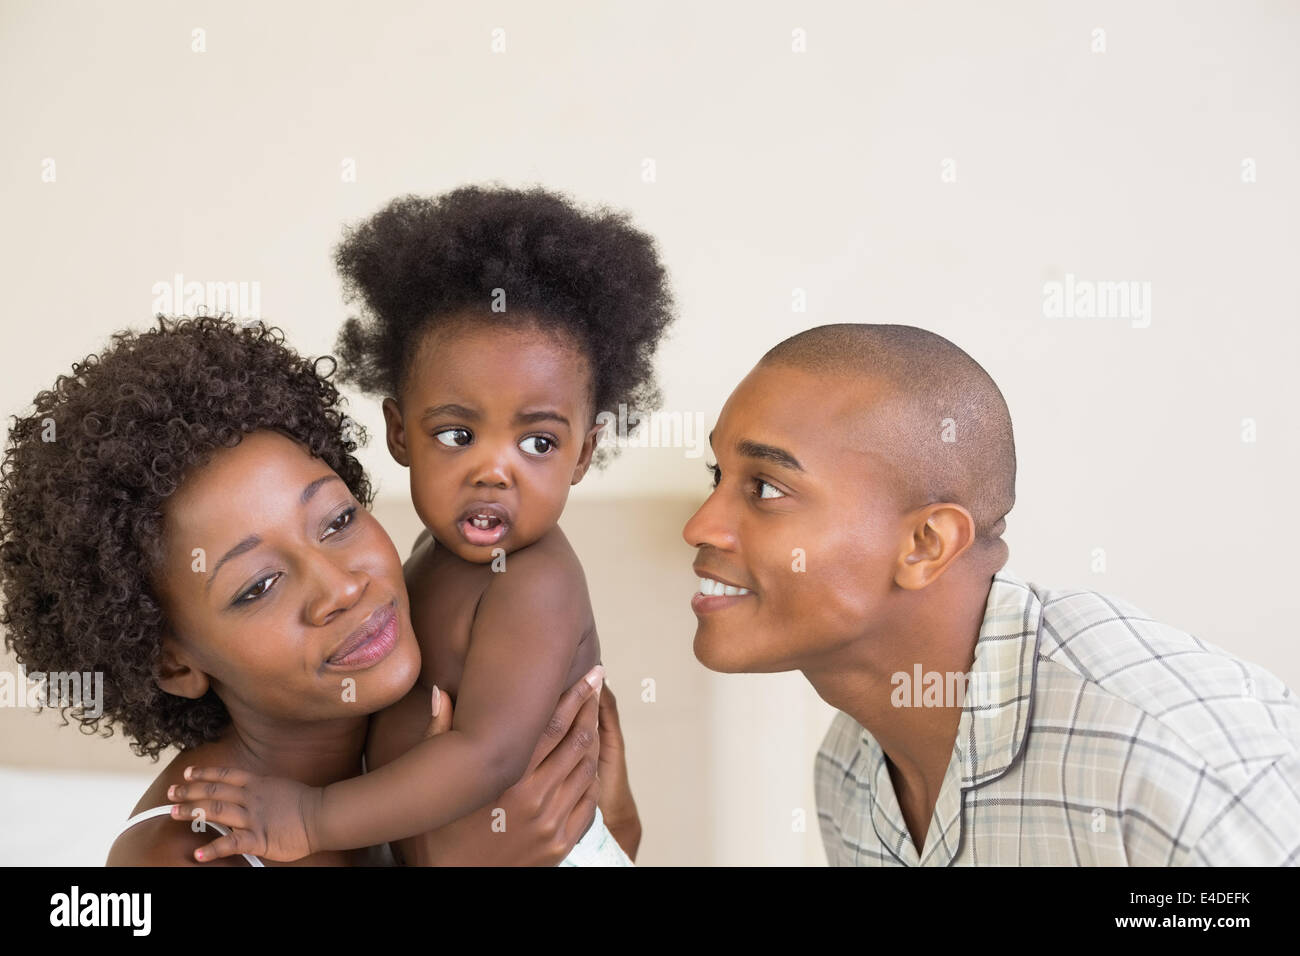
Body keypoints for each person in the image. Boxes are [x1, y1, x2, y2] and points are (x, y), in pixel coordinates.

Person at [0, 315, 639, 866]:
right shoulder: (182, 855)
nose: (342, 587)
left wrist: (617, 835)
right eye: (259, 586)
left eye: (337, 521)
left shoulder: (416, 768)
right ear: (172, 659)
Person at [168, 186, 673, 865]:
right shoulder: (430, 556)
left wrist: (314, 818)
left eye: (540, 444)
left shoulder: (536, 582)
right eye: (458, 433)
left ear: (584, 453)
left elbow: (488, 755)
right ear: (400, 433)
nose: (494, 472)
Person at [683, 322, 1300, 866]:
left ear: (926, 544)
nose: (700, 527)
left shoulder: (1173, 760)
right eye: (719, 476)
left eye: (765, 487)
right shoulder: (849, 772)